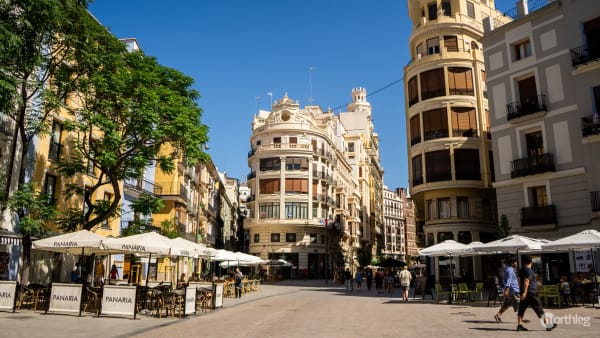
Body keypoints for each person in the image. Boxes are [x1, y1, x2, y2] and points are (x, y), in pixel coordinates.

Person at [517, 255, 557, 331]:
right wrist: (525, 292)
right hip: (531, 292)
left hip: (524, 292)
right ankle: (548, 325)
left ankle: (519, 325)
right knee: (539, 308)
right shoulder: (529, 270)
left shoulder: (521, 270)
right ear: (531, 262)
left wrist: (521, 291)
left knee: (521, 309)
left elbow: (518, 280)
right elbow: (526, 281)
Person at [494, 255, 520, 323]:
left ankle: (498, 315)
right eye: (515, 262)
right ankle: (521, 319)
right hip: (513, 290)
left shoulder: (506, 269)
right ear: (512, 263)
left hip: (510, 290)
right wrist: (507, 290)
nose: (516, 264)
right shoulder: (510, 270)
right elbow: (509, 281)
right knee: (519, 304)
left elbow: (504, 281)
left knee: (507, 304)